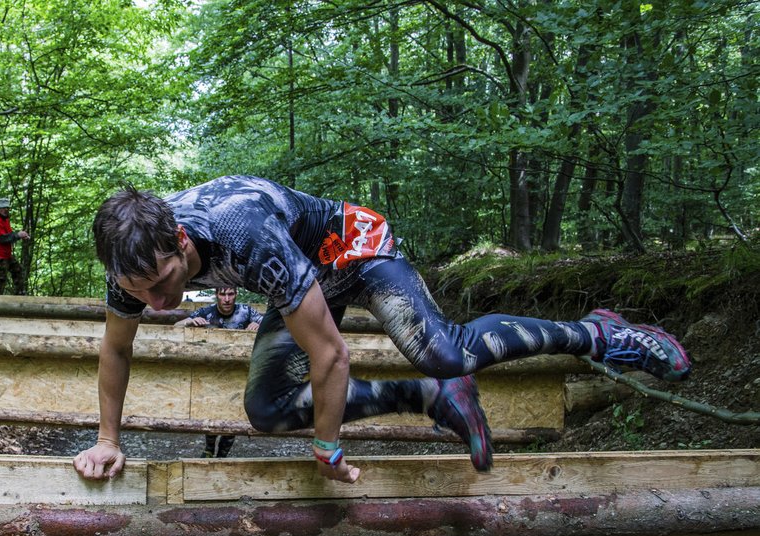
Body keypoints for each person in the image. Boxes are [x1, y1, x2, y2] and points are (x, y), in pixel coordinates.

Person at [73, 176, 690, 484]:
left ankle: (598, 333)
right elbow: (116, 350)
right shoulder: (131, 262)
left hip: (354, 250)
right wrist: (107, 439)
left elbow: (333, 356)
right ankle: (428, 398)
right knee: (265, 408)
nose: (155, 303)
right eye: (139, 292)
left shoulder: (244, 234)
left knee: (442, 349)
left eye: (163, 283)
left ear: (180, 241)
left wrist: (328, 446)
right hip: (302, 275)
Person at [175, 287, 264, 458]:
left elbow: (272, 322)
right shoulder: (206, 312)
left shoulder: (246, 312)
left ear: (236, 295)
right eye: (223, 294)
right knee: (212, 411)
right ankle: (209, 450)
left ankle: (223, 454)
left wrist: (259, 324)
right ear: (217, 295)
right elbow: (176, 325)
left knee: (233, 416)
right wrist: (189, 322)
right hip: (213, 374)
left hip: (239, 374)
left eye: (231, 294)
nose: (227, 299)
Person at [0, 197, 30, 295]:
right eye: (3, 208)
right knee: (0, 280)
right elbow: (3, 239)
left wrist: (21, 236)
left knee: (17, 270)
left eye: (7, 208)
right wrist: (18, 235)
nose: (5, 210)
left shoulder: (5, 220)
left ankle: (20, 294)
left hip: (6, 254)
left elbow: (9, 234)